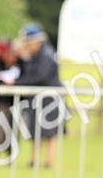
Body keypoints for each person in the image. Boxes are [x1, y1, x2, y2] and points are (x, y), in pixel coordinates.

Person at [9, 22, 63, 168]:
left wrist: (17, 83)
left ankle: (48, 161)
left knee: (50, 131)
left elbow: (40, 76)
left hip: (50, 98)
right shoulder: (34, 55)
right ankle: (34, 160)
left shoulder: (46, 55)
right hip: (37, 98)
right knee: (35, 129)